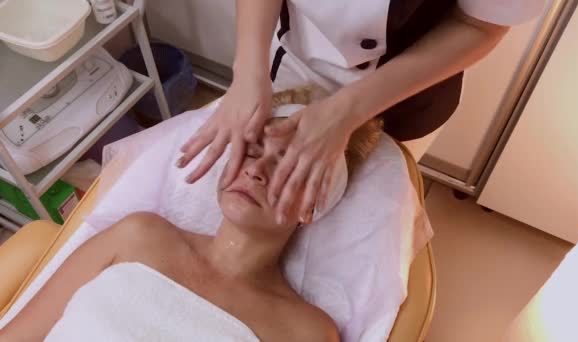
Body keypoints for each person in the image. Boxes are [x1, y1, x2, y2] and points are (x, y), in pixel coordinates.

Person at [0, 110, 382, 341]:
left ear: (312, 207)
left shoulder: (305, 332)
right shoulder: (139, 235)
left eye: (286, 167)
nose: (254, 169)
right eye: (250, 150)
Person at [178, 0, 545, 226]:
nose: (256, 171)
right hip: (295, 54)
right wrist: (248, 69)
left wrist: (350, 111)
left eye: (284, 172)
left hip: (405, 91)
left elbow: (479, 24)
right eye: (259, 152)